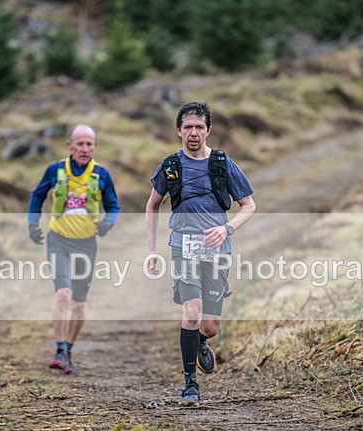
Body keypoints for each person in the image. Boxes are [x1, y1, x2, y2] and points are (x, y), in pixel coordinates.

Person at [145, 102, 256, 406]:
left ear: (209, 130)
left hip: (218, 249)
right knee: (191, 314)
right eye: (188, 127)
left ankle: (201, 343)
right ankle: (189, 385)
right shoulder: (171, 166)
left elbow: (249, 205)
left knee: (210, 326)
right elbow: (152, 205)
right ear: (178, 130)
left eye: (199, 127)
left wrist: (226, 229)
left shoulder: (222, 163)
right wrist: (153, 251)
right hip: (183, 248)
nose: (193, 133)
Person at [28, 124, 120, 374]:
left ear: (95, 147)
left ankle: (68, 348)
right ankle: (59, 349)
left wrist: (107, 224)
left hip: (87, 244)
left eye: (89, 144)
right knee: (62, 295)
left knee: (78, 305)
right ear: (70, 146)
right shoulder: (55, 170)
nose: (85, 148)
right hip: (58, 240)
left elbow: (113, 207)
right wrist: (32, 224)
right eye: (80, 143)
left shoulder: (101, 174)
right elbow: (37, 196)